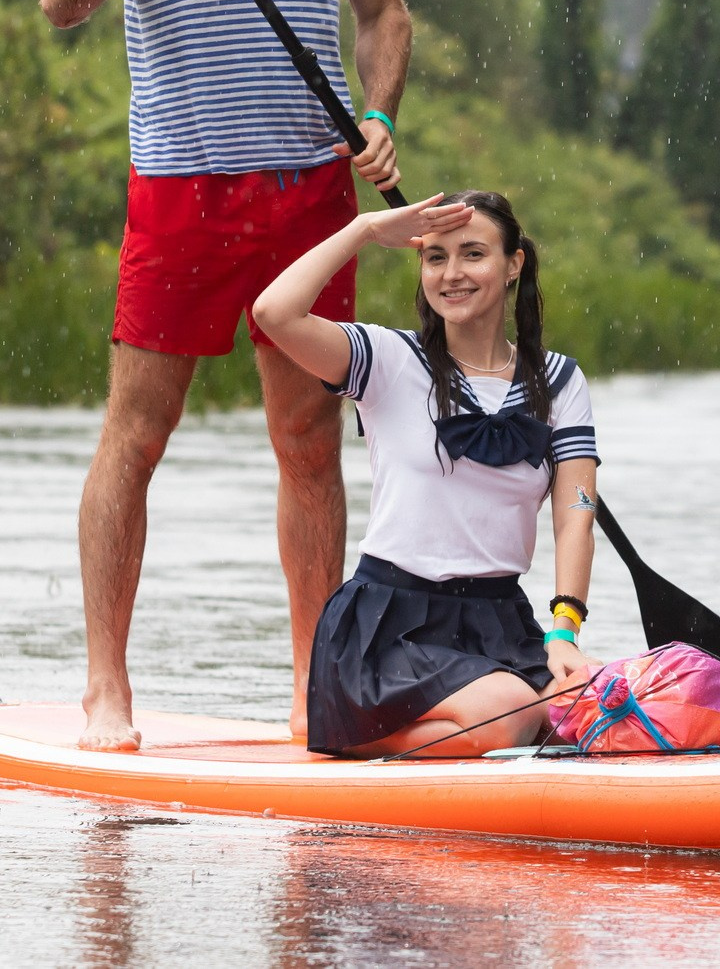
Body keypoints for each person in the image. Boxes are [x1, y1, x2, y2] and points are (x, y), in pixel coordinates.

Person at [37, 0, 412, 751]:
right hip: (180, 189)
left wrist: (380, 116)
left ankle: (310, 688)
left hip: (309, 194)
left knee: (308, 439)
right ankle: (107, 687)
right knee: (136, 434)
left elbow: (384, 12)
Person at [252, 189, 601, 757]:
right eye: (435, 257)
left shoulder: (560, 381)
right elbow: (274, 313)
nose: (452, 274)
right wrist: (366, 228)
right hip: (391, 626)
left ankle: (505, 729)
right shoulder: (386, 359)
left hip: (502, 621)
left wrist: (564, 632)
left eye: (473, 254)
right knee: (512, 711)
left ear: (513, 264)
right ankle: (343, 732)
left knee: (591, 701)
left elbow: (575, 517)